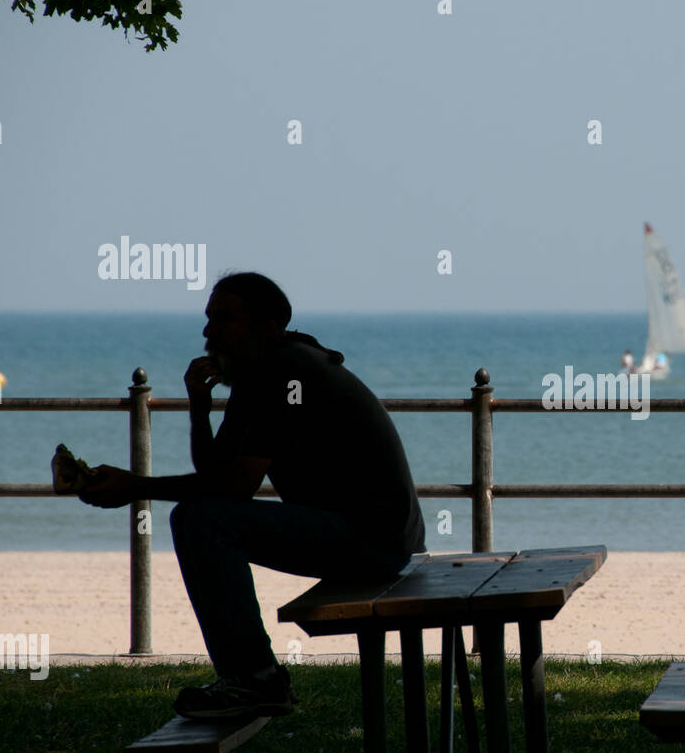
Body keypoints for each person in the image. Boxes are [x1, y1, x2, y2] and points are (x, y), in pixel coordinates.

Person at [77, 272, 426, 720]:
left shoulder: (283, 371)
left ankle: (254, 680)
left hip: (376, 545)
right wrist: (199, 410)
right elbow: (218, 475)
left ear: (266, 325)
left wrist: (136, 487)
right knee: (198, 517)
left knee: (199, 521)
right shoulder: (262, 370)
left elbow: (232, 489)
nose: (208, 332)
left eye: (224, 319)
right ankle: (250, 677)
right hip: (375, 539)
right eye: (208, 319)